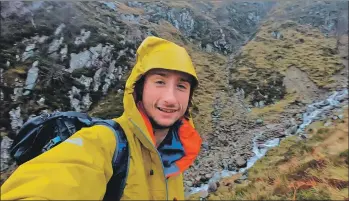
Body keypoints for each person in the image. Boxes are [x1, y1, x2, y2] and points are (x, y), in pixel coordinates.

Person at [1, 36, 202, 200]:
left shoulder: (176, 155)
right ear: (139, 89)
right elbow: (53, 183)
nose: (170, 98)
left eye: (181, 86)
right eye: (159, 81)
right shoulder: (104, 141)